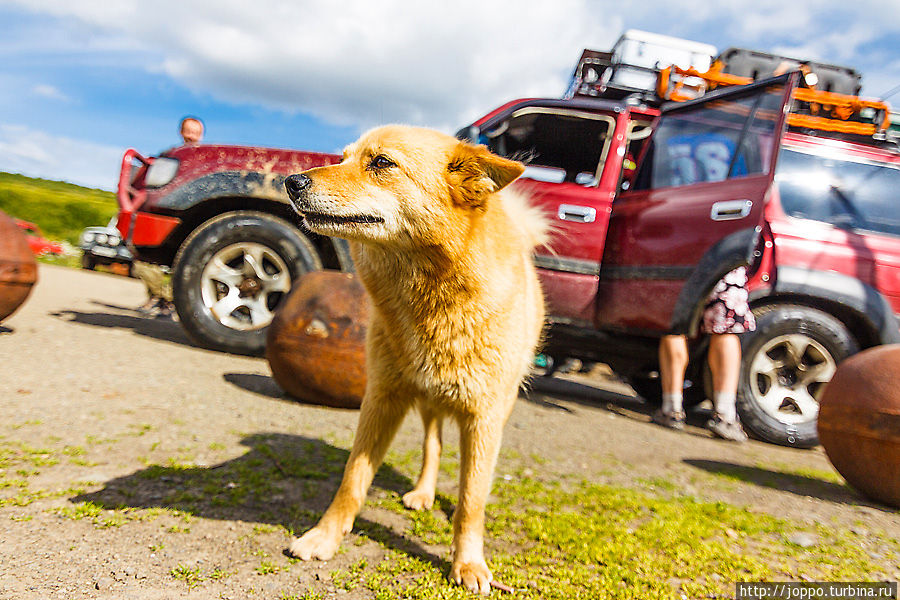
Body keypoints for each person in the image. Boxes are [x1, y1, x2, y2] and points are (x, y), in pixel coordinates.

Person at [652, 266, 756, 442]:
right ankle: (725, 416)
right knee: (725, 328)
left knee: (676, 325)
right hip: (726, 257)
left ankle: (671, 410)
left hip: (683, 257)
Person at [134, 116, 204, 318]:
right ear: (181, 132)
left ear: (201, 134)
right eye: (188, 131)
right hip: (169, 211)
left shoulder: (201, 158)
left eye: (195, 131)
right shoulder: (177, 156)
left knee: (182, 264)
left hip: (189, 217)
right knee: (146, 259)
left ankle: (168, 301)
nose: (191, 135)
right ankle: (158, 298)